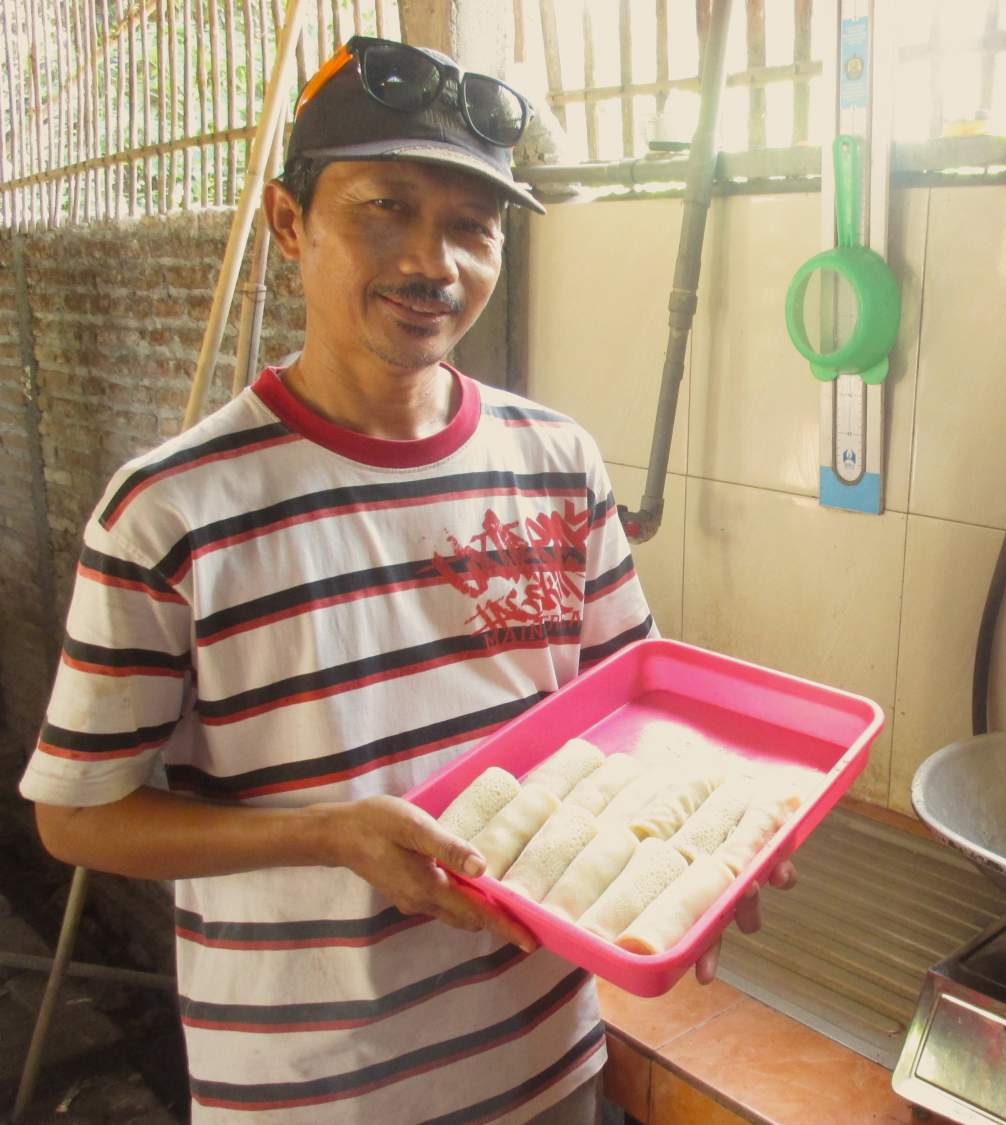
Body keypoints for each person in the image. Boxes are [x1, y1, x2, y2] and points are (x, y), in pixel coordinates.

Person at [21, 37, 789, 1124]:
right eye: (386, 208)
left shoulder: (555, 459)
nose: (434, 262)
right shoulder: (170, 511)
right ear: (292, 225)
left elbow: (627, 721)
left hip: (545, 1060)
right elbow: (80, 819)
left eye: (473, 226)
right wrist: (328, 834)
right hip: (307, 1093)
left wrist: (714, 844)